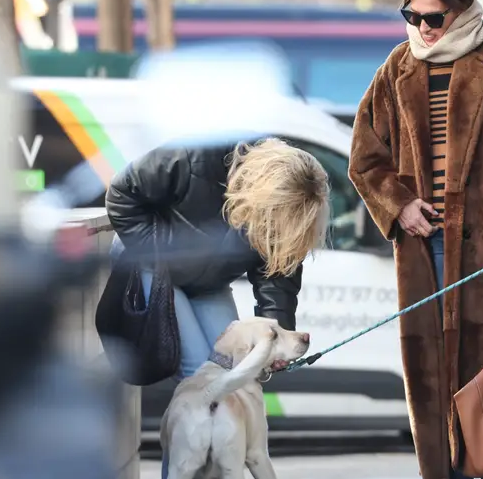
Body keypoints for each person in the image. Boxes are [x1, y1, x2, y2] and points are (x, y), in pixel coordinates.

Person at [349, 0, 483, 479]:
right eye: (411, 17)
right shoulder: (397, 67)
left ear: (460, 12)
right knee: (430, 374)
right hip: (422, 244)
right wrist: (400, 204)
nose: (422, 30)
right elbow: (365, 158)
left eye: (432, 19)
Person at [105, 136, 330, 478]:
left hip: (207, 283)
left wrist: (275, 336)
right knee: (204, 375)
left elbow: (277, 273)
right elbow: (121, 196)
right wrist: (165, 258)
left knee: (235, 380)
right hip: (153, 266)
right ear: (262, 192)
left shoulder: (287, 206)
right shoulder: (192, 155)